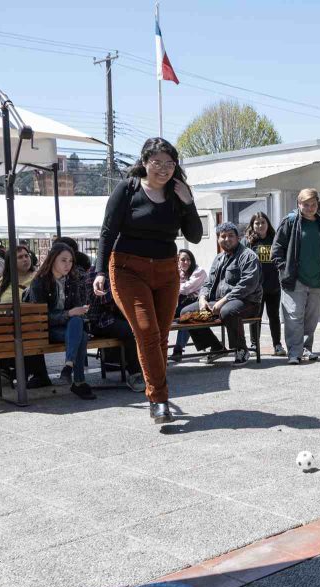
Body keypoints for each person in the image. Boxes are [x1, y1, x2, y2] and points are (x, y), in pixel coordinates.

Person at [93, 137, 202, 424]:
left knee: (161, 336)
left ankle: (156, 391)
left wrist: (189, 203)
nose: (164, 169)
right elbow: (106, 232)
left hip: (166, 271)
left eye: (170, 163)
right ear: (144, 163)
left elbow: (194, 235)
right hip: (128, 270)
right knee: (146, 330)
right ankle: (159, 398)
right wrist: (100, 271)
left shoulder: (179, 193)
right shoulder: (127, 190)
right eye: (157, 163)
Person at [179, 222, 262, 364]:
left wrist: (223, 301)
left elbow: (247, 285)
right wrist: (202, 298)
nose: (226, 239)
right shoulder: (218, 258)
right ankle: (216, 347)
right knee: (185, 313)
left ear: (238, 237)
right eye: (223, 236)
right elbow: (208, 282)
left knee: (228, 311)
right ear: (218, 239)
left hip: (248, 302)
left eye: (230, 235)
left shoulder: (248, 256)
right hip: (216, 302)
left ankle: (241, 349)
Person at [24, 242, 94, 400]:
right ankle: (78, 382)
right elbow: (41, 317)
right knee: (79, 333)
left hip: (69, 327)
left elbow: (76, 309)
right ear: (53, 260)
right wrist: (68, 313)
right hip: (46, 330)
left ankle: (68, 366)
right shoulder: (39, 282)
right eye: (63, 260)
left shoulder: (72, 280)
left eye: (70, 261)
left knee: (77, 324)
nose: (68, 265)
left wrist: (80, 311)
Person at [272, 188, 320, 365]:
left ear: (317, 204)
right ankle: (294, 352)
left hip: (315, 278)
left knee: (311, 319)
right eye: (306, 204)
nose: (310, 208)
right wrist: (285, 269)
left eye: (313, 204)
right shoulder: (290, 221)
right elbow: (277, 250)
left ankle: (306, 349)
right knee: (294, 317)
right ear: (299, 204)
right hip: (294, 279)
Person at [0, 244, 52, 389]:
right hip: (7, 324)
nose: (25, 259)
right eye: (20, 257)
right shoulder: (3, 281)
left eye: (26, 256)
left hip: (33, 325)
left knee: (27, 333)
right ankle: (11, 371)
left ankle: (36, 375)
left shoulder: (38, 278)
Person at [83, 268, 146, 392]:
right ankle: (134, 374)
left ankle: (148, 369)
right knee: (130, 330)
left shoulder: (121, 270)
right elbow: (107, 300)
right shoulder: (94, 273)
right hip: (99, 321)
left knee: (145, 326)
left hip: (116, 315)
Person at [244, 212, 285, 357]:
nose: (260, 225)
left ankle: (277, 345)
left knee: (274, 317)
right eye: (257, 223)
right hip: (255, 289)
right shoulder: (248, 242)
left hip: (273, 286)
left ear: (268, 224)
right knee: (256, 317)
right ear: (252, 225)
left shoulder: (275, 239)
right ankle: (254, 345)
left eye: (263, 222)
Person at [170, 248, 206, 361]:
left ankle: (178, 350)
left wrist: (173, 287)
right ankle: (159, 351)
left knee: (186, 316)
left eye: (188, 260)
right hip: (179, 304)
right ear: (178, 260)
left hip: (197, 304)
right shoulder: (176, 271)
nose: (186, 262)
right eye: (183, 260)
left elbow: (187, 288)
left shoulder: (199, 271)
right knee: (161, 318)